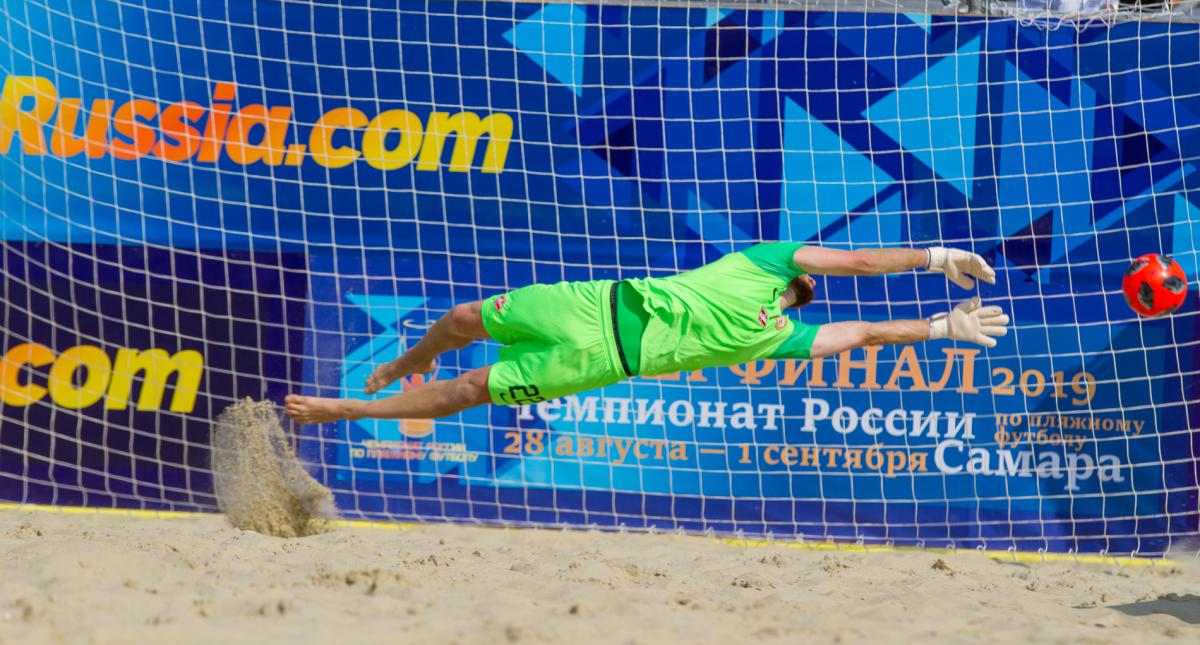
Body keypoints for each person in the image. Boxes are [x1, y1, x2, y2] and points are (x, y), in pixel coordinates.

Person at [284, 244, 1010, 425]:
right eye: (806, 281)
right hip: (592, 303)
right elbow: (858, 265)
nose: (806, 286)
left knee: (471, 390)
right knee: (463, 320)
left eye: (806, 292)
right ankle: (400, 364)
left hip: (605, 359)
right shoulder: (761, 262)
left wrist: (939, 326)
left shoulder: (777, 336)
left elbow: (865, 333)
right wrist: (933, 257)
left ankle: (351, 408)